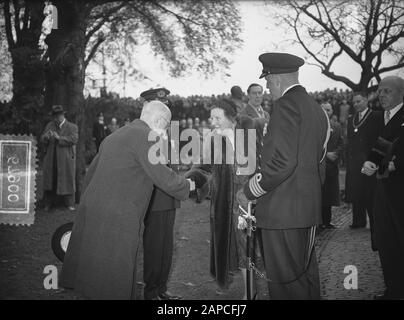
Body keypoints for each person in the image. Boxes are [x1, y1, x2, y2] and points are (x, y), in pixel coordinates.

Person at [59, 101, 195, 300]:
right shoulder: (147, 136)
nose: (164, 132)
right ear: (159, 120)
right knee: (116, 269)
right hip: (119, 212)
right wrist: (188, 185)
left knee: (94, 264)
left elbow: (91, 175)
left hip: (93, 207)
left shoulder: (114, 135)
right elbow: (162, 176)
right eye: (165, 126)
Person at [243, 52, 329, 300]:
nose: (268, 89)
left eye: (268, 82)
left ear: (277, 79)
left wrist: (249, 190)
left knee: (286, 285)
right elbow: (319, 162)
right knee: (305, 277)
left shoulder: (285, 106)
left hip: (282, 211)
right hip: (306, 208)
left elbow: (282, 162)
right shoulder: (315, 108)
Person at [186, 98, 266, 299]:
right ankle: (245, 287)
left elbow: (259, 168)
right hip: (223, 204)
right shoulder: (213, 140)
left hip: (247, 203)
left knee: (247, 247)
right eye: (211, 117)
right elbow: (203, 167)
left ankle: (251, 292)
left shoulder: (246, 137)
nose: (212, 121)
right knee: (229, 248)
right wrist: (190, 179)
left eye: (217, 117)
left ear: (230, 118)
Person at [362, 76, 404, 299]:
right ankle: (393, 288)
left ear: (400, 93)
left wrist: (395, 164)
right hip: (379, 190)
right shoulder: (375, 118)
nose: (382, 95)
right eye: (380, 91)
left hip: (400, 192)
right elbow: (369, 148)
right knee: (385, 240)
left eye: (387, 91)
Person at [139, 88, 182, 300]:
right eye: (159, 103)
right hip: (154, 197)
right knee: (154, 246)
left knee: (166, 246)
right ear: (148, 105)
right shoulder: (144, 131)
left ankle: (161, 289)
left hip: (169, 196)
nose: (164, 107)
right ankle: (150, 291)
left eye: (165, 103)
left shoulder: (169, 129)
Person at [345, 92, 382, 234]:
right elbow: (350, 140)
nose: (356, 104)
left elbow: (379, 139)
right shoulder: (351, 119)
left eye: (359, 101)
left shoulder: (376, 116)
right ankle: (358, 220)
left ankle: (374, 221)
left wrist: (374, 159)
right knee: (356, 190)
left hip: (369, 159)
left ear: (366, 100)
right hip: (354, 160)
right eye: (354, 102)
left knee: (369, 191)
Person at [41, 105, 78, 211]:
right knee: (50, 180)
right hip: (51, 158)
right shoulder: (50, 125)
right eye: (54, 116)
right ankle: (48, 203)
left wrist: (59, 138)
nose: (55, 119)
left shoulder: (72, 127)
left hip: (65, 159)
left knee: (68, 180)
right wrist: (46, 137)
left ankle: (70, 203)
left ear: (62, 115)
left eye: (56, 116)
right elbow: (42, 138)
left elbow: (74, 139)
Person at [320, 102, 344, 229]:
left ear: (332, 111)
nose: (326, 112)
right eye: (324, 110)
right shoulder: (314, 127)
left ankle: (327, 221)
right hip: (318, 166)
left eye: (328, 110)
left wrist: (336, 153)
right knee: (319, 195)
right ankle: (318, 222)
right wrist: (325, 154)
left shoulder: (337, 126)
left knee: (329, 196)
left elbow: (342, 142)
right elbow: (310, 145)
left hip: (332, 167)